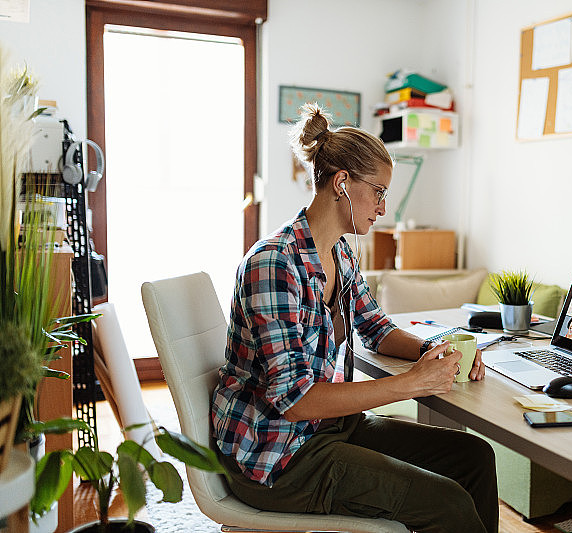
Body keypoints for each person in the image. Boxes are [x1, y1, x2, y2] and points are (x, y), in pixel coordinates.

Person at [211, 104, 498, 533]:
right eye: (379, 191)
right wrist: (409, 383)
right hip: (277, 456)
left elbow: (377, 330)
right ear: (343, 183)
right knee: (447, 502)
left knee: (474, 457)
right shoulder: (273, 264)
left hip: (327, 430)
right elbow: (295, 401)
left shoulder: (341, 253)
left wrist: (435, 353)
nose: (383, 207)